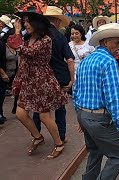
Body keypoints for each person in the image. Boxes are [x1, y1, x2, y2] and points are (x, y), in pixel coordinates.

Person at [73, 23, 119, 180]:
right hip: (99, 118)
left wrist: (80, 115)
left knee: (95, 151)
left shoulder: (86, 60)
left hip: (84, 115)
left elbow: (76, 91)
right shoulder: (109, 61)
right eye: (117, 42)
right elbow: (113, 98)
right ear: (106, 42)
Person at [8, 11, 68, 159]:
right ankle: (37, 136)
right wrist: (18, 81)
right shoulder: (27, 38)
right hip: (29, 81)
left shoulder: (46, 39)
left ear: (37, 24)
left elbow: (27, 52)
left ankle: (59, 144)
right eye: (24, 22)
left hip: (42, 81)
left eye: (28, 21)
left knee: (44, 116)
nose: (25, 24)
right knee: (20, 114)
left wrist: (17, 34)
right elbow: (21, 56)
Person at [32, 6, 75, 143]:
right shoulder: (60, 36)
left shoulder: (38, 35)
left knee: (39, 108)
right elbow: (69, 60)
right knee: (60, 108)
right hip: (59, 76)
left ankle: (37, 135)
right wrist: (72, 79)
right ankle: (61, 137)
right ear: (57, 20)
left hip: (40, 77)